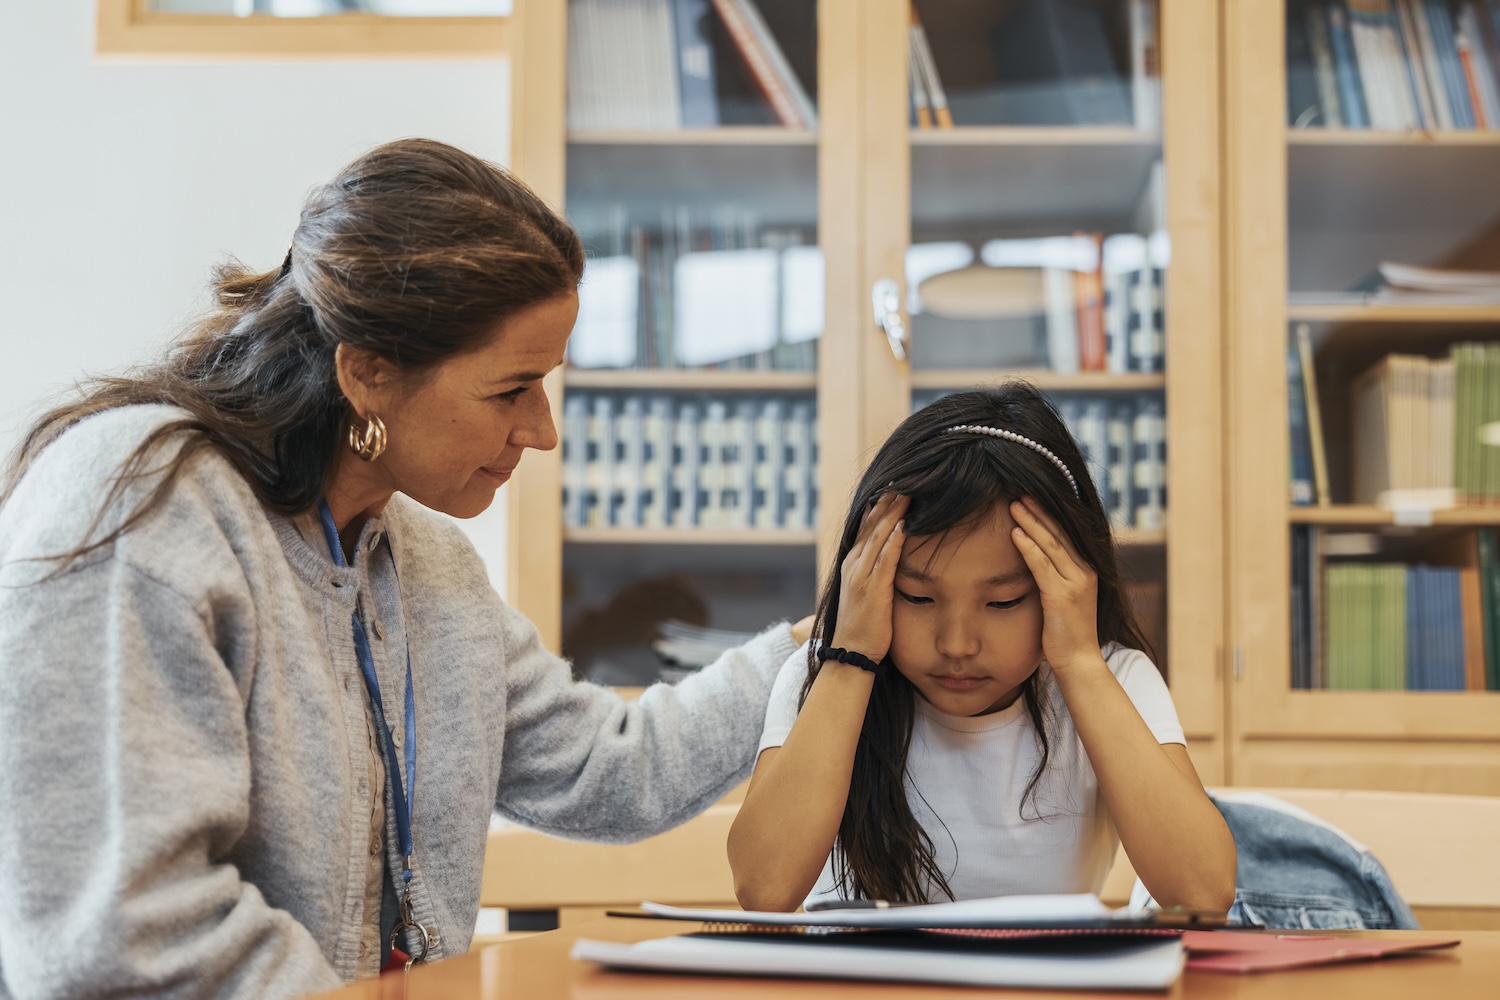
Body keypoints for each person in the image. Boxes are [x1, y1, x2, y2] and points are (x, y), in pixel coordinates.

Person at [0, 139, 806, 999]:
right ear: (369, 374)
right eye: (511, 390)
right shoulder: (140, 512)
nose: (542, 431)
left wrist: (825, 643)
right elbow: (124, 932)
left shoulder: (424, 562)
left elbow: (613, 772)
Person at [727, 384, 1236, 913]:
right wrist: (851, 656)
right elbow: (765, 889)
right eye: (918, 597)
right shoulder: (819, 678)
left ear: (1065, 588)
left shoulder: (1115, 679)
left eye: (1004, 602)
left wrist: (1079, 662)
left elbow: (1202, 892)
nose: (957, 644)